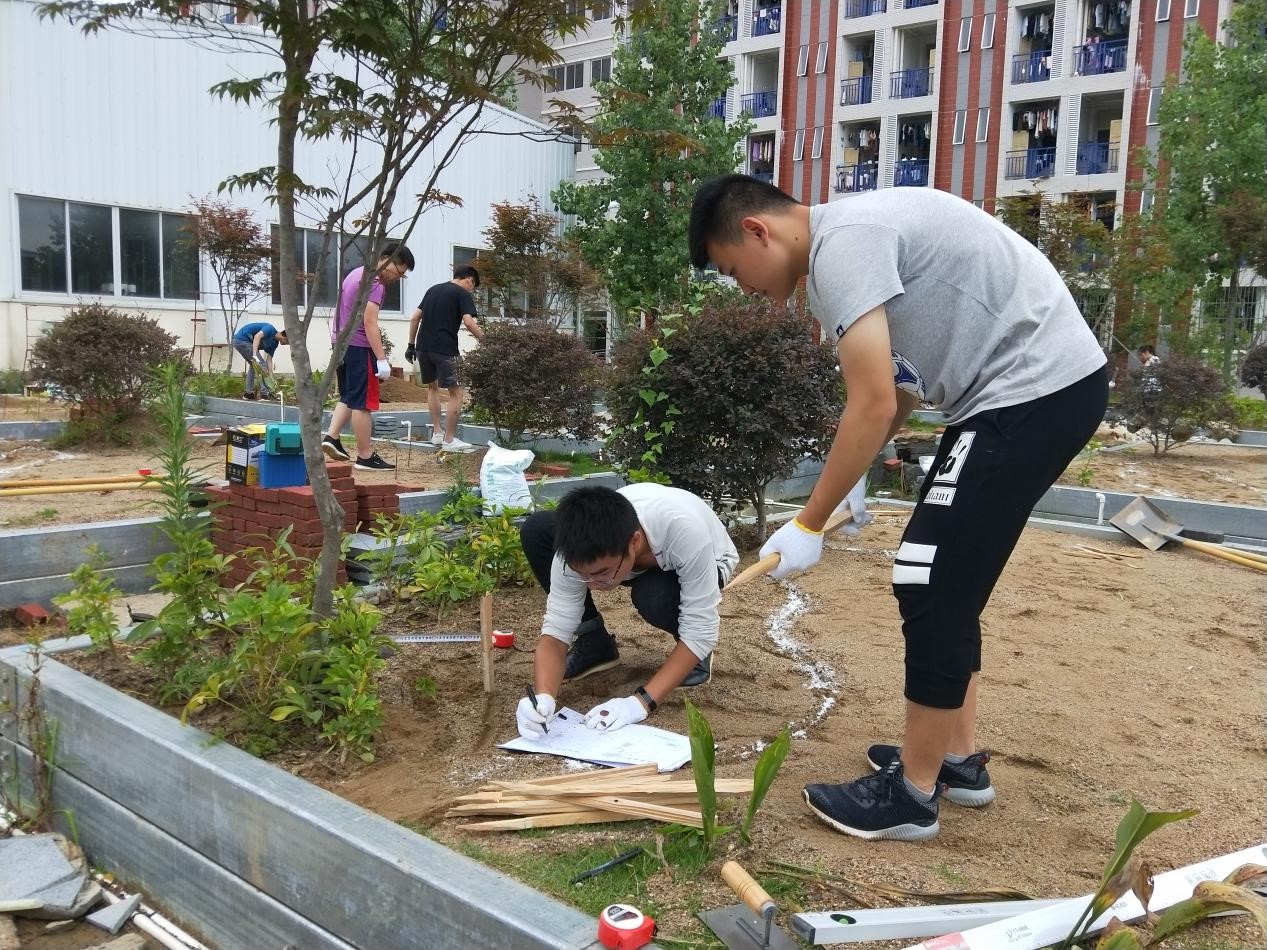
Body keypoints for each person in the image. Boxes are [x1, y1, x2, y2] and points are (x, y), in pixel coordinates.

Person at [689, 174, 1108, 842]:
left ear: (756, 231)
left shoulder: (844, 245)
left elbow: (873, 401)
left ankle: (912, 794)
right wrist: (846, 477)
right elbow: (900, 385)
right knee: (945, 580)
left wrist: (809, 520)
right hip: (1012, 398)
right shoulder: (839, 253)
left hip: (1031, 391)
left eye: (733, 271)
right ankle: (955, 760)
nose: (743, 288)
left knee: (929, 577)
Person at [515, 484, 739, 739]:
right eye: (582, 575)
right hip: (637, 559)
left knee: (653, 595)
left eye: (601, 573)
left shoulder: (686, 533)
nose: (591, 586)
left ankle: (693, 658)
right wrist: (543, 696)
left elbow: (701, 631)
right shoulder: (572, 556)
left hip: (710, 559)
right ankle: (594, 644)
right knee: (539, 527)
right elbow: (556, 632)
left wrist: (639, 704)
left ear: (634, 541)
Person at [321, 242, 414, 471]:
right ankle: (365, 456)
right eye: (399, 272)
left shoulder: (356, 274)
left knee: (349, 395)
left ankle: (332, 437)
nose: (397, 278)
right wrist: (381, 359)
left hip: (341, 342)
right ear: (389, 260)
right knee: (363, 403)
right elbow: (369, 321)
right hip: (360, 346)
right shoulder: (375, 283)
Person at [404, 264, 485, 453]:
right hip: (445, 349)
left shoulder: (432, 290)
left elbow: (415, 317)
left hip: (423, 348)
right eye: (473, 287)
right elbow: (468, 322)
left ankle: (438, 433)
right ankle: (449, 439)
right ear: (469, 280)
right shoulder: (462, 293)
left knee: (432, 388)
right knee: (456, 392)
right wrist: (486, 341)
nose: (471, 290)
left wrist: (410, 345)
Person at [231, 321, 288, 400]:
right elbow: (257, 336)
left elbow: (269, 360)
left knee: (254, 366)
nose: (287, 344)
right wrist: (255, 355)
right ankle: (264, 394)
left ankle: (248, 394)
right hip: (242, 339)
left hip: (246, 343)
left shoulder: (274, 344)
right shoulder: (270, 328)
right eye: (288, 342)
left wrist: (271, 375)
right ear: (285, 337)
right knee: (261, 364)